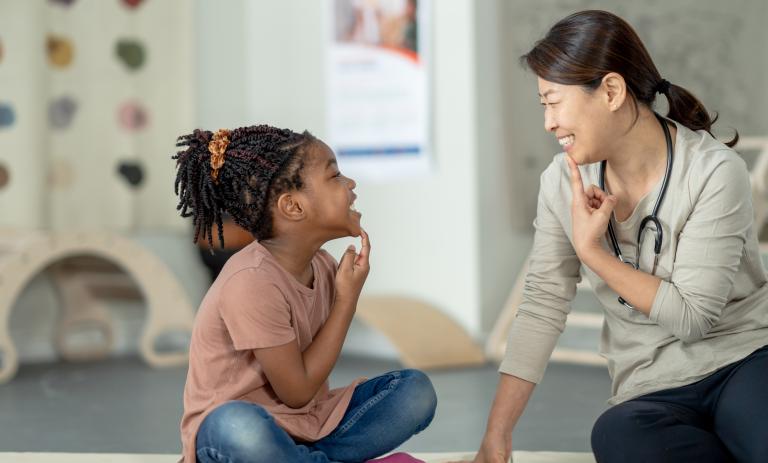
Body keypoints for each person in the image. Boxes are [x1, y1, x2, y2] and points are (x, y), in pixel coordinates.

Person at [461, 10, 768, 463]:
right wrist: (496, 435)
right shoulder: (561, 184)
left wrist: (594, 251)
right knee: (617, 437)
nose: (548, 122)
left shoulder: (714, 172)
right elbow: (544, 301)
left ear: (610, 90)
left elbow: (692, 318)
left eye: (554, 101)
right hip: (651, 386)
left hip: (743, 360)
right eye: (543, 105)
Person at [173, 125, 436, 463]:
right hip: (231, 439)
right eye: (335, 175)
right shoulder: (251, 281)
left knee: (414, 392)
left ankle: (302, 459)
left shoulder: (323, 266)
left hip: (308, 428)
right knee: (238, 425)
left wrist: (343, 295)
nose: (350, 184)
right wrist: (346, 302)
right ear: (293, 207)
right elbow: (296, 392)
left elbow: (302, 401)